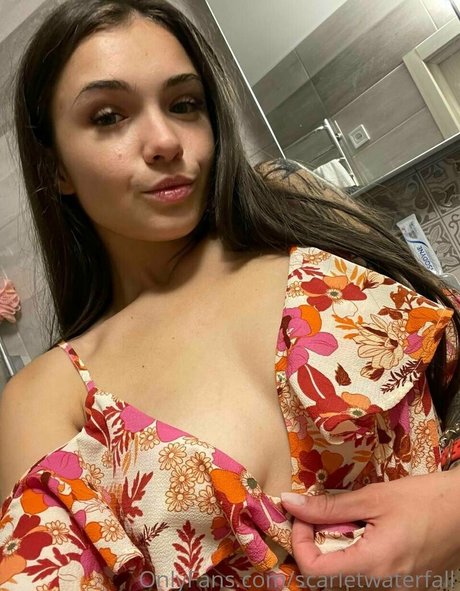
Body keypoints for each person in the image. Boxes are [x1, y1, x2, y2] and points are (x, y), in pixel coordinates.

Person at [0, 0, 459, 589]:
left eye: (184, 104)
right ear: (57, 168)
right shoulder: (49, 395)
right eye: (109, 116)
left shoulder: (306, 220)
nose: (165, 140)